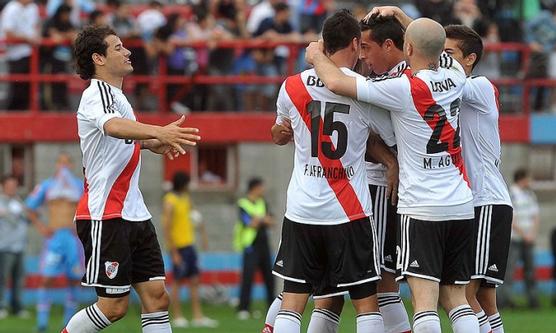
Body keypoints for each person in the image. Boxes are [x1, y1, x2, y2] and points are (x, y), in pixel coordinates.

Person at [306, 6, 480, 333]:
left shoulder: (402, 90)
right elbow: (430, 40)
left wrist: (317, 55)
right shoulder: (455, 74)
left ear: (407, 48)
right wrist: (401, 15)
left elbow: (334, 81)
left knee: (424, 300)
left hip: (422, 206)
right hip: (460, 203)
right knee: (457, 298)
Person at [61, 25, 201, 333]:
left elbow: (122, 139)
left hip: (133, 212)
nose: (127, 52)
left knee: (157, 298)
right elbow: (112, 127)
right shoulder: (95, 95)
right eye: (118, 48)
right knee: (113, 307)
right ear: (98, 58)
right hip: (105, 213)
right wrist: (158, 131)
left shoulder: (118, 97)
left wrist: (154, 143)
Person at [270, 10, 400, 333]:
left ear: (323, 43)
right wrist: (390, 160)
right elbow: (390, 135)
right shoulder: (361, 89)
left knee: (293, 301)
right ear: (356, 44)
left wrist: (284, 133)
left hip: (302, 209)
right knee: (366, 303)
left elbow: (279, 131)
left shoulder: (291, 86)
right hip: (349, 210)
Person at [444, 24, 514, 333]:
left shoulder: (480, 86)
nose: (439, 60)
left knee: (463, 293)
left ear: (470, 59)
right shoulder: (454, 90)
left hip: (486, 201)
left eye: (448, 54)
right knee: (485, 299)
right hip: (475, 203)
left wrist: (410, 24)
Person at [26, 153, 84, 332]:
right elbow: (29, 207)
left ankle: (69, 323)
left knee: (74, 279)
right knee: (47, 278)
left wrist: (82, 227)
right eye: (61, 162)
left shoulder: (80, 186)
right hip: (54, 239)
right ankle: (42, 322)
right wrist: (42, 227)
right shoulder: (47, 186)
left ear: (72, 165)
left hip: (73, 240)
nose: (64, 166)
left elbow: (91, 207)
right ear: (56, 165)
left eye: (67, 162)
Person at [161, 172, 217, 328]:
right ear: (182, 184)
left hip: (189, 245)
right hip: (178, 247)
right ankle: (177, 316)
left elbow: (196, 217)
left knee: (194, 281)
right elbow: (166, 228)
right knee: (177, 282)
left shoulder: (186, 199)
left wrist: (203, 235)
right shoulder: (169, 201)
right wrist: (174, 253)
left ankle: (198, 316)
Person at [235, 177, 275, 320]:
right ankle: (243, 308)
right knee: (248, 277)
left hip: (264, 245)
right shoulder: (243, 204)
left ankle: (272, 307)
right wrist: (261, 219)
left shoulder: (262, 202)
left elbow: (271, 221)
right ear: (254, 188)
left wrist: (259, 219)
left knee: (269, 278)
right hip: (250, 246)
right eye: (261, 187)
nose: (263, 190)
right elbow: (249, 223)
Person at [502, 168, 540, 309]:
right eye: (528, 179)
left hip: (529, 239)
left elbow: (535, 216)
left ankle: (533, 301)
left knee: (530, 271)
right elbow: (510, 218)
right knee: (509, 271)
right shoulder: (511, 194)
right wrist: (524, 235)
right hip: (515, 239)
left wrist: (532, 234)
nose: (530, 182)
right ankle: (504, 301)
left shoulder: (530, 194)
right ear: (522, 179)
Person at [0, 0, 40, 110]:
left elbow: (36, 27)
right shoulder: (11, 8)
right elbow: (8, 34)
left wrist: (36, 37)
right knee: (18, 89)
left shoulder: (33, 8)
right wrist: (27, 39)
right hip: (15, 54)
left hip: (32, 53)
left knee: (29, 90)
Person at [0, 174, 28, 319]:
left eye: (14, 185)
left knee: (19, 279)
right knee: (3, 279)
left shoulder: (18, 201)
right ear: (3, 186)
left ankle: (17, 307)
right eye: (9, 185)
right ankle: (1, 307)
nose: (12, 188)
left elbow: (28, 219)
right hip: (5, 247)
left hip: (20, 247)